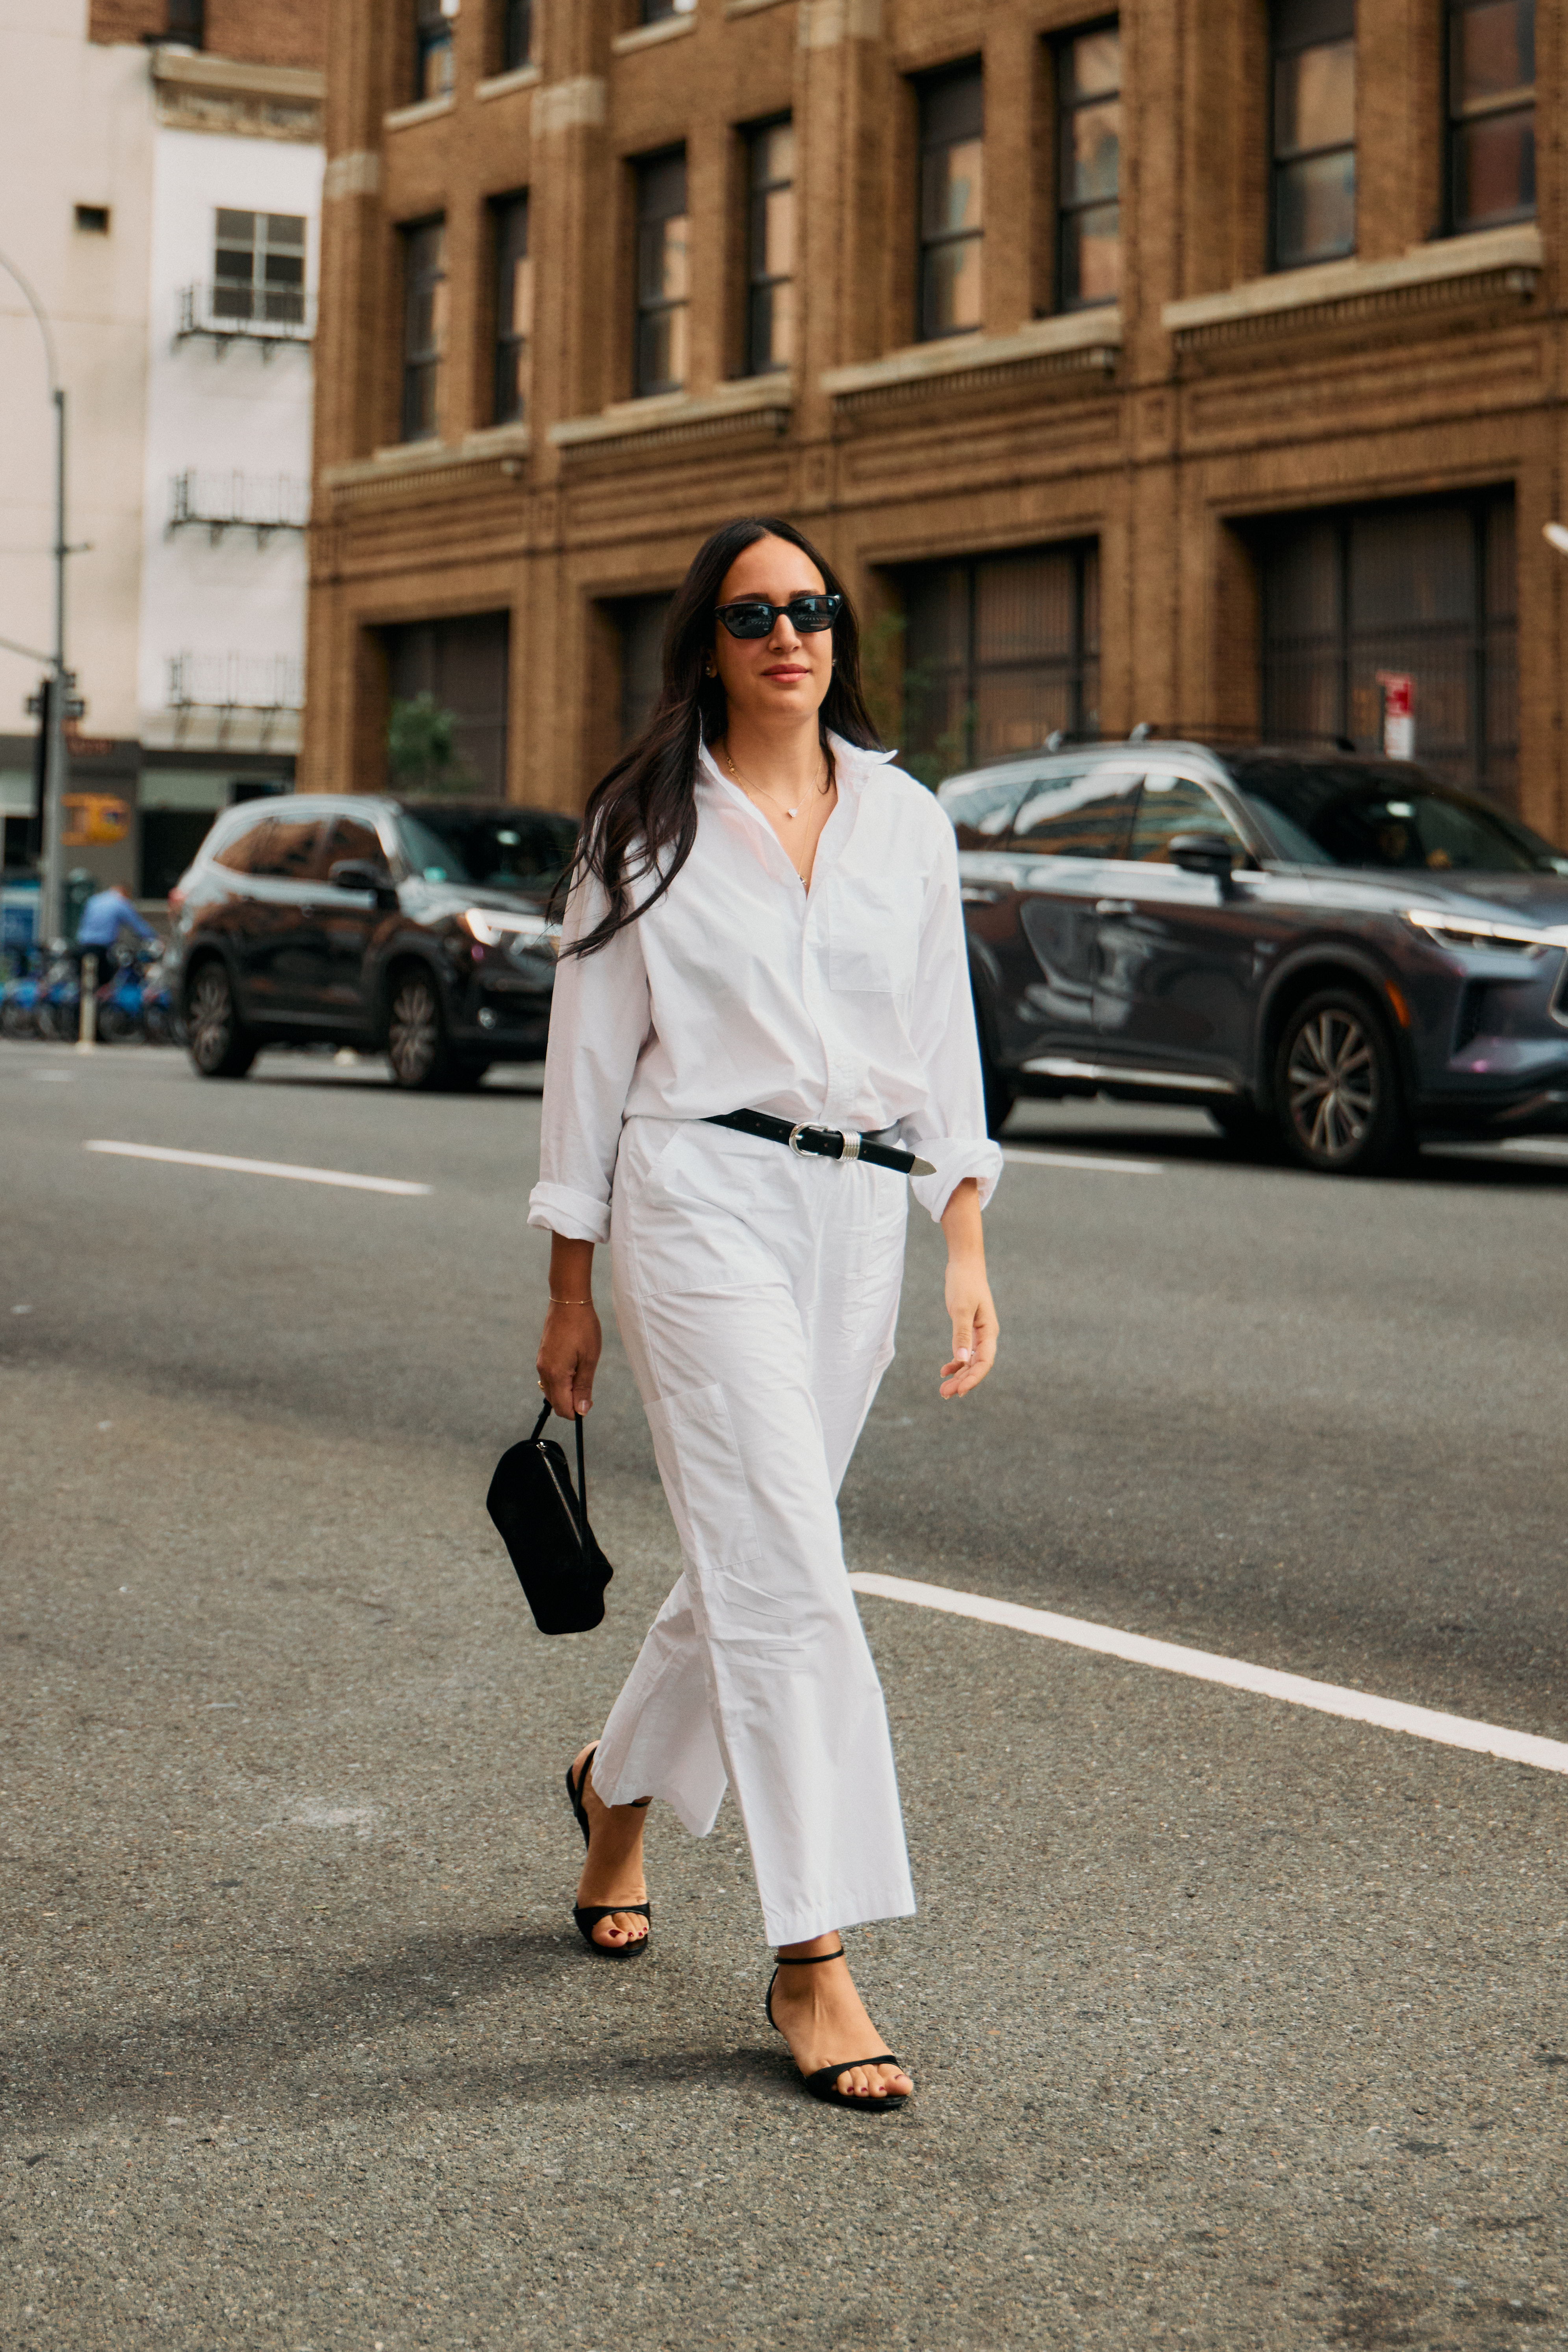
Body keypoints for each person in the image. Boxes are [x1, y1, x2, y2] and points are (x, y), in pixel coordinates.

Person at [529, 516, 1001, 2111]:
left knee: (754, 1545)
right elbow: (586, 1064)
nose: (786, 634)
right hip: (699, 1196)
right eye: (753, 614)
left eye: (809, 609)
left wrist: (961, 1235)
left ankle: (613, 1784)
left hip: (857, 1212)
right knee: (789, 1569)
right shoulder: (643, 827)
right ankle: (811, 1952)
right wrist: (569, 1283)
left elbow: (940, 1037)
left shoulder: (904, 819)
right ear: (706, 643)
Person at [76, 882, 156, 973]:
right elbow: (138, 926)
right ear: (125, 893)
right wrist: (154, 937)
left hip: (82, 945)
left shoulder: (93, 900)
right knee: (109, 977)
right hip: (102, 948)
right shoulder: (120, 902)